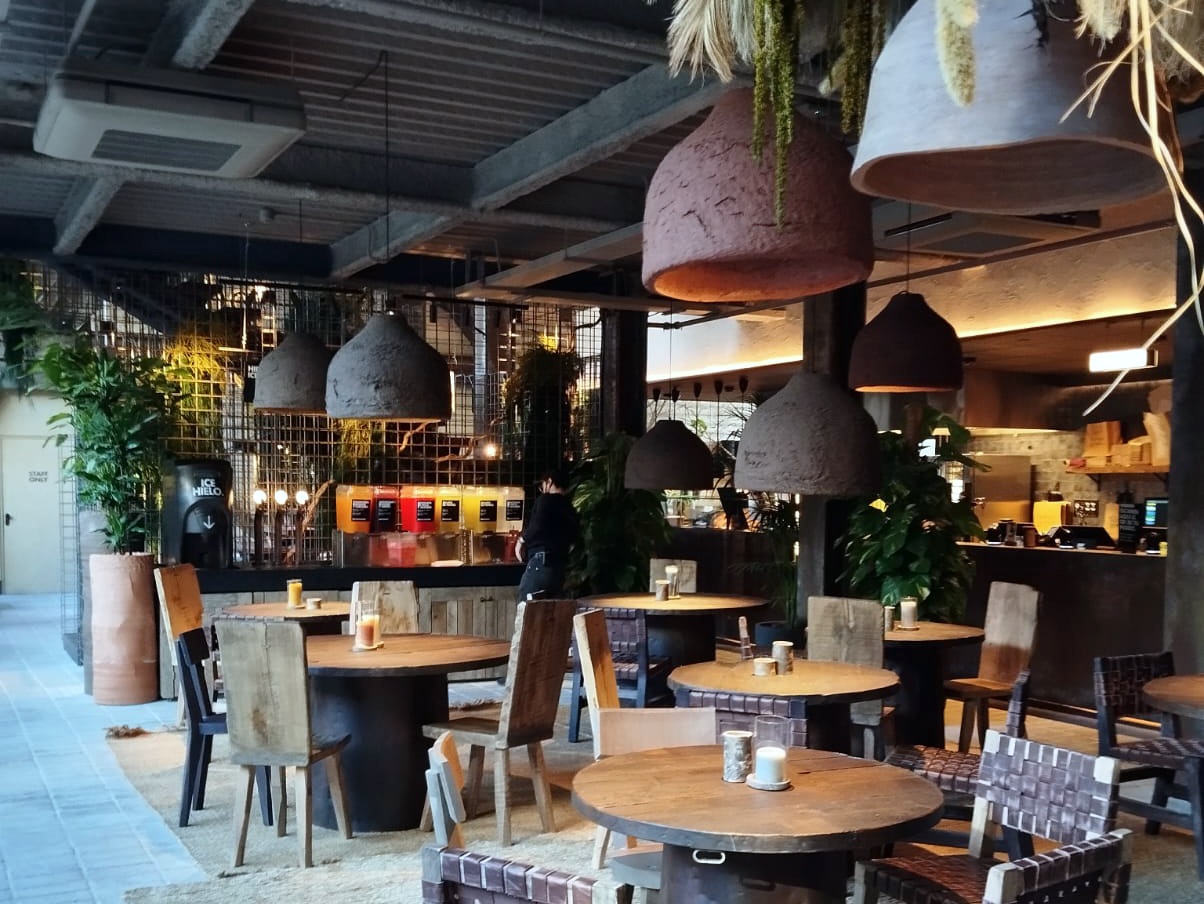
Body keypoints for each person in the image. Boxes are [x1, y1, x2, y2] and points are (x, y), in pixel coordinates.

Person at [515, 468, 579, 602]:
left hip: (541, 561)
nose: (541, 489)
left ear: (549, 482)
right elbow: (574, 536)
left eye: (542, 485)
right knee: (550, 609)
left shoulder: (546, 500)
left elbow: (536, 526)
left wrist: (521, 541)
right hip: (559, 568)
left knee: (526, 606)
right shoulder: (569, 507)